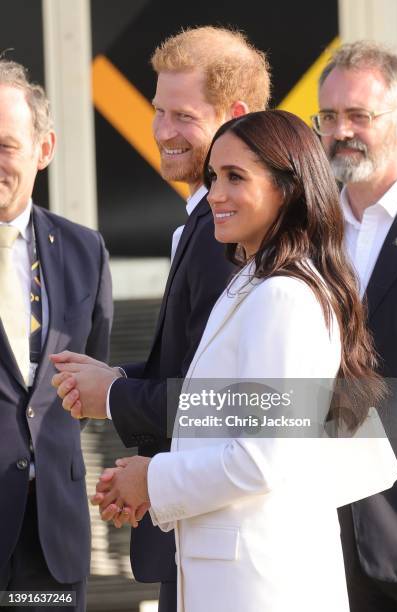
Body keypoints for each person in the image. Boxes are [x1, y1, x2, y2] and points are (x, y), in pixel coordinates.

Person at [81, 110, 397, 612]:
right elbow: (229, 417)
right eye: (212, 177)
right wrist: (148, 474)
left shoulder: (285, 297)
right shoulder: (257, 284)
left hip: (260, 586)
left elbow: (261, 460)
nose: (215, 194)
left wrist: (153, 478)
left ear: (288, 189)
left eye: (235, 177)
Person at [51, 26, 271, 612]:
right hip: (197, 529)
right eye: (157, 111)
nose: (163, 132)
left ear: (237, 115)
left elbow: (235, 404)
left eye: (184, 115)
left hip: (226, 546)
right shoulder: (205, 225)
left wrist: (115, 395)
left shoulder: (227, 235)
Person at [0, 60, 112, 611]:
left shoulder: (84, 251)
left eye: (5, 146)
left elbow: (91, 384)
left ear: (44, 150)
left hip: (53, 536)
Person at [314, 40, 397, 612]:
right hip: (317, 523)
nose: (341, 130)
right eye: (329, 117)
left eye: (359, 115)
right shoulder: (306, 227)